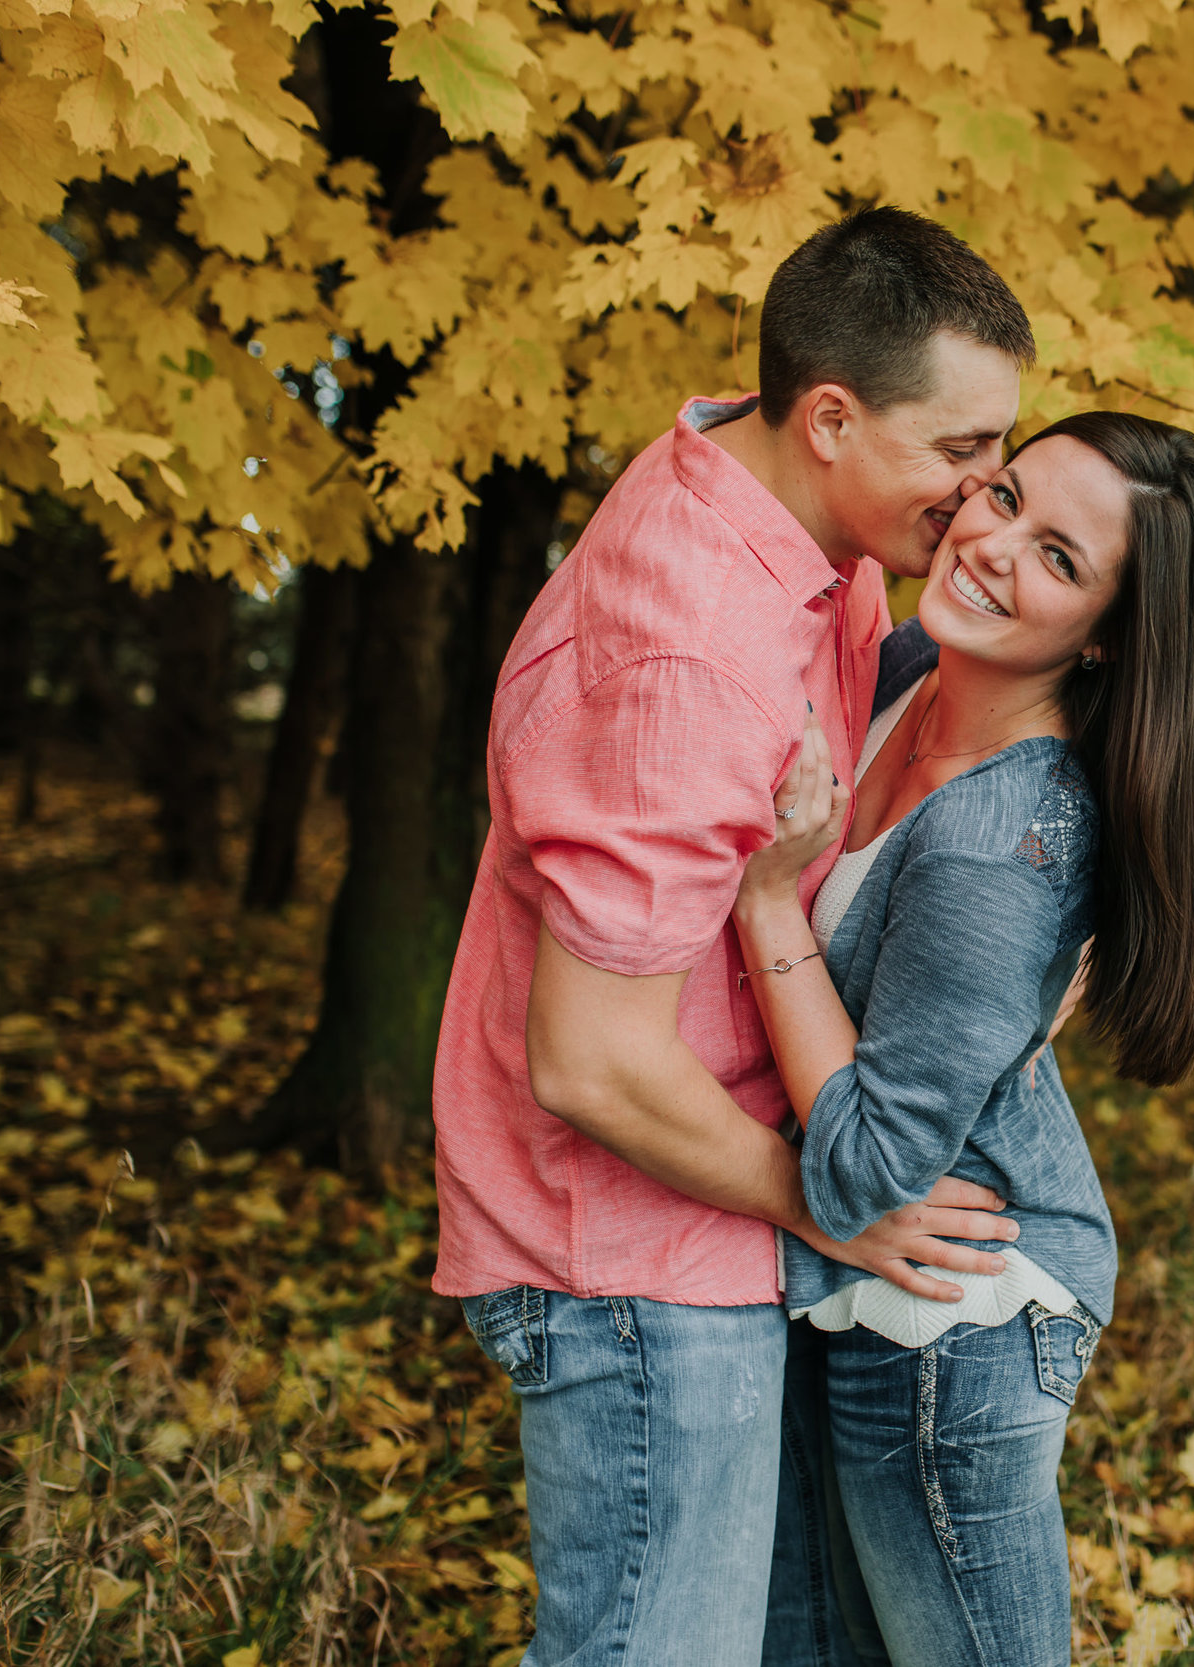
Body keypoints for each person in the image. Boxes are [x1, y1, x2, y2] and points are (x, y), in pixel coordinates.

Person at [429, 208, 1042, 1667]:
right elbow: (590, 1062)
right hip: (631, 1267)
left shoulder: (806, 524)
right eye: (962, 450)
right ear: (830, 416)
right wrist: (838, 1203)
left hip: (721, 1227)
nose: (987, 490)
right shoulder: (688, 653)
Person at [739, 412, 1194, 1666]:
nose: (991, 544)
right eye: (1005, 494)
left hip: (952, 1325)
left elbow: (864, 1167)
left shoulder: (1001, 842)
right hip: (864, 1291)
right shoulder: (911, 668)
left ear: (1110, 633)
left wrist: (767, 902)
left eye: (1060, 559)